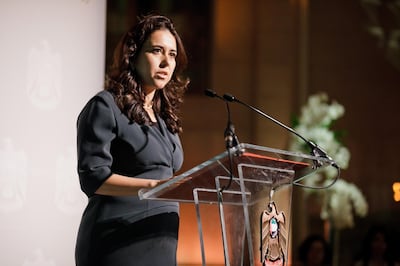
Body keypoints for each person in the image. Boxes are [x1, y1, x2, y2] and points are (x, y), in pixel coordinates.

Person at [75, 14, 189, 266]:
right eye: (157, 51)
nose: (165, 62)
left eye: (172, 54)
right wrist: (154, 187)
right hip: (116, 238)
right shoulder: (105, 106)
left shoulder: (165, 117)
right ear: (134, 55)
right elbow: (93, 177)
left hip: (160, 240)